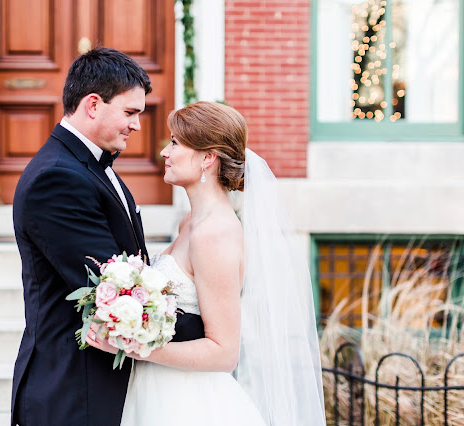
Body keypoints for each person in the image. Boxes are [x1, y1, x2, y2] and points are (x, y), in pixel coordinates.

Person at [86, 101, 326, 425]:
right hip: (158, 389)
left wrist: (133, 345)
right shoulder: (191, 221)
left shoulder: (216, 234)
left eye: (174, 143)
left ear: (207, 158)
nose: (164, 153)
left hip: (188, 403)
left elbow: (224, 351)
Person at [11, 47, 204, 426]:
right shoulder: (57, 179)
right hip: (73, 391)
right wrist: (206, 330)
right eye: (130, 113)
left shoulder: (92, 167)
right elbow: (111, 293)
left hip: (105, 384)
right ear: (93, 104)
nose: (137, 125)